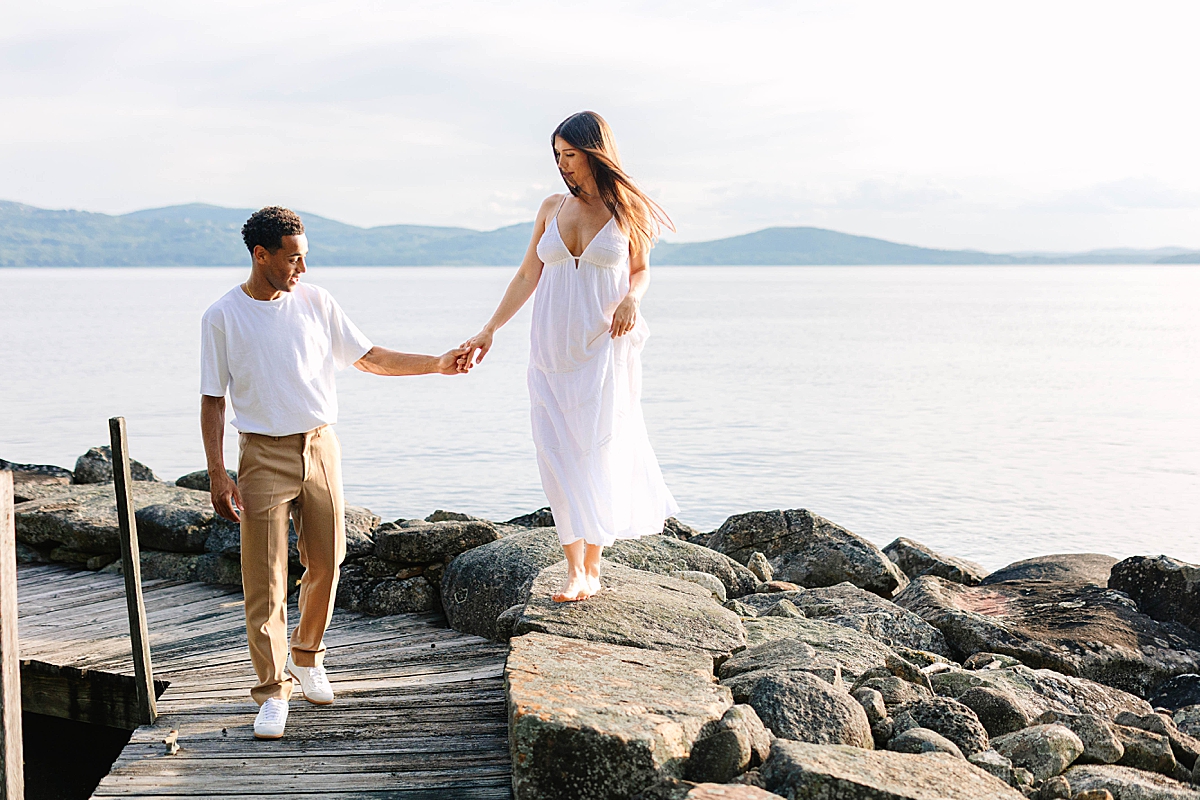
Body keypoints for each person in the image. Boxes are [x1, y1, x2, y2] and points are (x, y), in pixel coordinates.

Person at [199, 207, 470, 740]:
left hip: (321, 446)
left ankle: (306, 655)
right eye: (293, 258)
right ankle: (272, 690)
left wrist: (437, 363)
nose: (302, 267)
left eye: (305, 256)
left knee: (328, 560)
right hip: (262, 455)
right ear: (262, 255)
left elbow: (369, 358)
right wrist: (217, 473)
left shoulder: (317, 301)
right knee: (266, 579)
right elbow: (212, 400)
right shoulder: (223, 315)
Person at [461, 111, 678, 603]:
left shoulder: (628, 211)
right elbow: (525, 277)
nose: (563, 165)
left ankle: (592, 567)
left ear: (595, 152)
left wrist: (632, 298)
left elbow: (640, 271)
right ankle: (573, 567)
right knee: (556, 452)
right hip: (550, 349)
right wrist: (489, 329)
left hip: (603, 346)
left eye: (570, 155)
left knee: (600, 448)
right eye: (557, 156)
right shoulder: (551, 207)